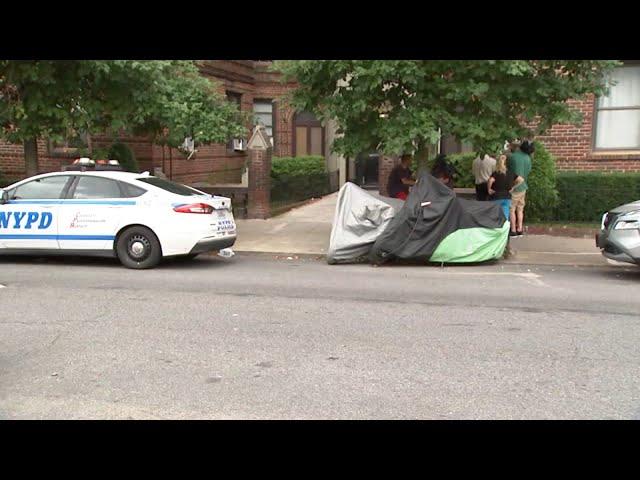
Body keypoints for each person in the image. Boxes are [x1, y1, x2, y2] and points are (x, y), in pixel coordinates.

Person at [507, 140, 533, 236]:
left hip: (514, 187)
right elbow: (528, 171)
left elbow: (508, 170)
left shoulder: (512, 157)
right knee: (520, 209)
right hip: (524, 186)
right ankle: (520, 228)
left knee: (512, 209)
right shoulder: (528, 158)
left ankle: (513, 229)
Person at [487, 154, 523, 221]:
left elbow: (490, 180)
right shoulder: (511, 173)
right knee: (505, 217)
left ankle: (496, 230)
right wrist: (513, 187)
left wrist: (489, 189)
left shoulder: (496, 173)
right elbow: (521, 180)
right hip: (507, 197)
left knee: (495, 218)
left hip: (496, 197)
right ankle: (504, 230)